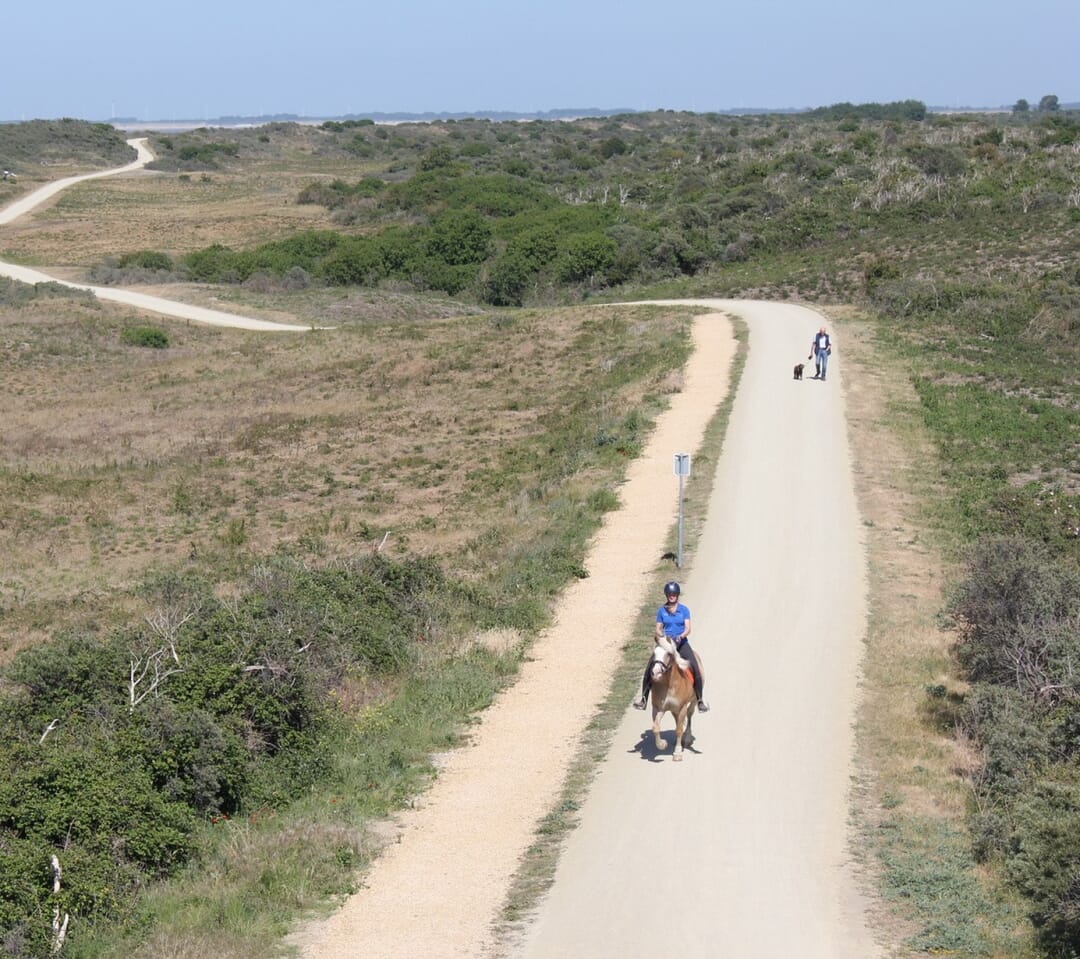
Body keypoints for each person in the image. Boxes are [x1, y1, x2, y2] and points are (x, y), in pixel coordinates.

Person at [632, 581, 709, 711]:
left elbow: (688, 628)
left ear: (677, 595)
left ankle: (700, 699)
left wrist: (681, 636)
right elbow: (658, 628)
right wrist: (661, 636)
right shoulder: (661, 611)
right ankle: (643, 698)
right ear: (666, 595)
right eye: (669, 594)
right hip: (666, 644)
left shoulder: (684, 610)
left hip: (681, 643)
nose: (671, 596)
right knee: (650, 666)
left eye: (674, 594)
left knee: (695, 667)